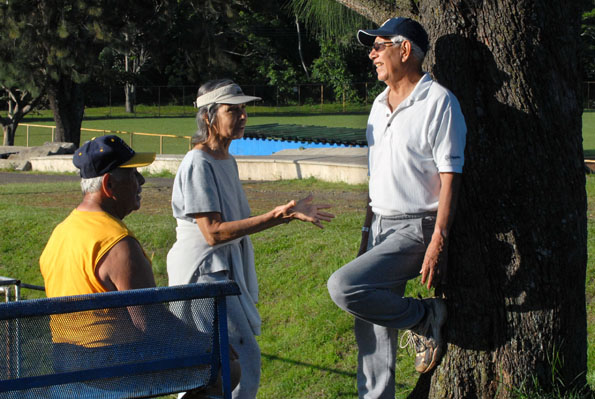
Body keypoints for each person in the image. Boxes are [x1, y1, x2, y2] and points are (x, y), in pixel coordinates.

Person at [167, 79, 335, 399]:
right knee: (229, 367)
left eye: (244, 109)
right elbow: (213, 233)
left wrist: (281, 217)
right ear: (208, 117)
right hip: (203, 275)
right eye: (233, 110)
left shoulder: (225, 160)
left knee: (225, 367)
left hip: (221, 273)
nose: (243, 116)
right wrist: (277, 217)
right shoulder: (197, 163)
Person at [327, 17, 467, 398]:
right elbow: (378, 178)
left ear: (405, 50)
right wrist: (364, 234)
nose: (372, 53)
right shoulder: (376, 106)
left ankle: (424, 317)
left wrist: (438, 240)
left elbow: (451, 175)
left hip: (417, 228)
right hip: (379, 228)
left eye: (379, 45)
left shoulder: (439, 102)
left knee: (343, 287)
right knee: (369, 330)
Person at [39, 135, 235, 398]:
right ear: (109, 184)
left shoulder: (61, 233)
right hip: (113, 369)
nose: (141, 181)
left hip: (66, 366)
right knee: (228, 366)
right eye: (133, 174)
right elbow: (151, 324)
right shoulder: (117, 244)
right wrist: (211, 342)